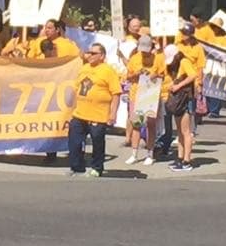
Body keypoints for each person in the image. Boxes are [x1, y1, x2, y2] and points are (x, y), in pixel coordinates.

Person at [68, 43, 122, 177]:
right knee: (74, 141)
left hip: (98, 114)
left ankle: (97, 167)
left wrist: (113, 113)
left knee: (97, 142)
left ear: (102, 56)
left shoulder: (108, 71)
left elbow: (116, 93)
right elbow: (76, 89)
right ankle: (77, 167)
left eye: (93, 53)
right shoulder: (84, 68)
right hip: (80, 113)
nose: (90, 56)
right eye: (89, 53)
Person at [126, 35, 165, 166]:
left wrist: (155, 75)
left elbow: (163, 75)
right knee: (136, 124)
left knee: (150, 124)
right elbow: (128, 77)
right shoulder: (134, 58)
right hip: (136, 94)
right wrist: (136, 74)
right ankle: (134, 153)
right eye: (142, 49)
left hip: (151, 95)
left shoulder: (158, 59)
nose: (144, 52)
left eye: (146, 49)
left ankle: (150, 153)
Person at [166, 48, 198, 172]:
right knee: (180, 131)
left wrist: (178, 85)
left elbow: (193, 75)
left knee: (186, 131)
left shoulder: (184, 61)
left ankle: (187, 160)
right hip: (178, 100)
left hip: (185, 99)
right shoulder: (176, 65)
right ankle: (180, 157)